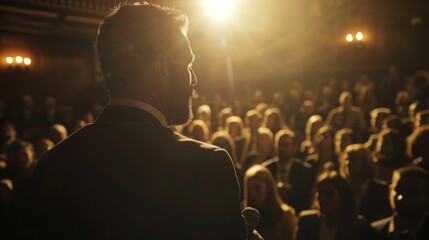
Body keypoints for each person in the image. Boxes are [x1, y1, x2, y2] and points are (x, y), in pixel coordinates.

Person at [31, 3, 251, 239]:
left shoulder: (54, 163)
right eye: (187, 64)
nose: (194, 79)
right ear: (161, 67)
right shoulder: (206, 165)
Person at [296, 171, 378, 240]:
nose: (322, 197)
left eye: (329, 194)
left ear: (343, 196)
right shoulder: (306, 222)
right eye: (320, 192)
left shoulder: (357, 226)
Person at [262, 129, 315, 213]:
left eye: (285, 145)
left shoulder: (305, 171)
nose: (281, 148)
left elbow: (306, 198)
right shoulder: (266, 169)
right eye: (279, 145)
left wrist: (291, 193)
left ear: (294, 148)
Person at [372, 166, 429, 240]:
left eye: (412, 193)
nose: (401, 198)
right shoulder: (373, 232)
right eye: (398, 190)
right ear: (389, 192)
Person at [243, 165, 297, 240]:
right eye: (249, 189)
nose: (252, 193)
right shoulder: (246, 217)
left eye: (257, 188)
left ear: (269, 187)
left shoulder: (285, 215)